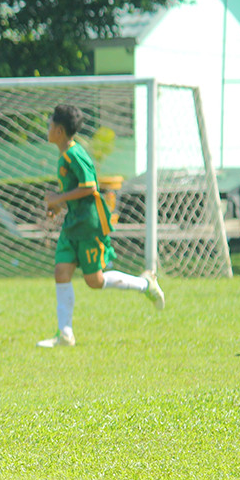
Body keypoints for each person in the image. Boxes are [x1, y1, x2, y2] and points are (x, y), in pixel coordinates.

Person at [37, 104, 165, 349]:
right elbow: (74, 192)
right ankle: (65, 334)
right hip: (72, 224)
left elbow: (90, 187)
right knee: (61, 273)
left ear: (60, 131)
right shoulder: (64, 155)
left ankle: (145, 284)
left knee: (94, 281)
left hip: (89, 226)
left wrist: (58, 199)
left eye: (50, 124)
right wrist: (58, 205)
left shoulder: (75, 154)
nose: (48, 128)